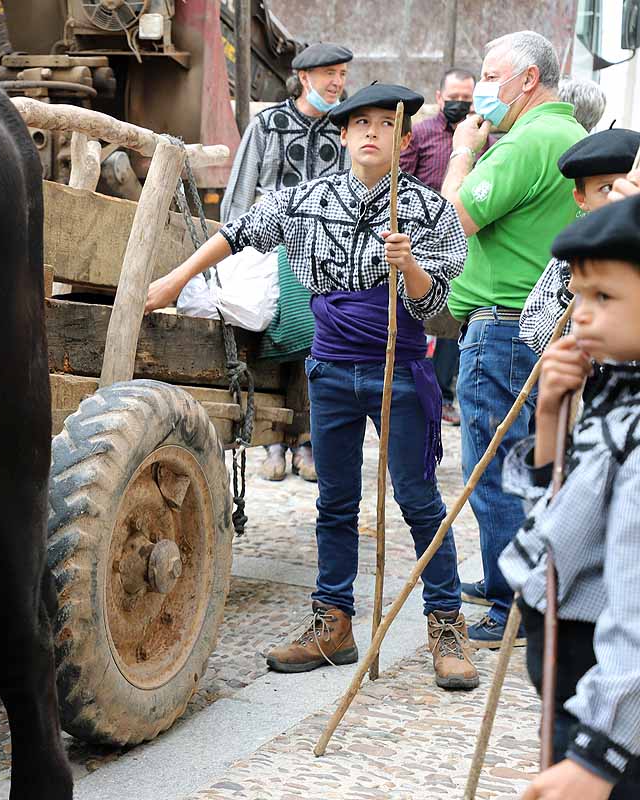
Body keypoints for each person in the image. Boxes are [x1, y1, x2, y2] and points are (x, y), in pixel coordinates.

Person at [147, 83, 479, 690]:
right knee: (334, 501)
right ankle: (333, 623)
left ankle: (446, 625)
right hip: (328, 368)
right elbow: (240, 230)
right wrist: (174, 280)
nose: (373, 132)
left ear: (405, 140)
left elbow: (434, 305)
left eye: (387, 124)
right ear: (345, 135)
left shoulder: (427, 211)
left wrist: (407, 262)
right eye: (362, 124)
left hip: (398, 369)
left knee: (418, 497)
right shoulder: (307, 200)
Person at [439, 30, 585, 647]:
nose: (483, 89)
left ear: (529, 79)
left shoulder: (528, 141)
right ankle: (519, 581)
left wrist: (463, 151)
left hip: (502, 327)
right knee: (531, 463)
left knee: (492, 467)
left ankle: (511, 603)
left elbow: (450, 221)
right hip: (545, 323)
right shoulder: (571, 136)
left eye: (492, 76)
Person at [500, 194, 640, 800]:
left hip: (609, 698)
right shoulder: (616, 393)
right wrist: (553, 411)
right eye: (578, 296)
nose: (579, 315)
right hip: (572, 672)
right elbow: (561, 505)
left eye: (604, 298)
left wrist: (599, 755)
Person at [220, 42, 354, 483]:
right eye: (329, 74)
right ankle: (272, 440)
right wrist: (233, 251)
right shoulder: (268, 124)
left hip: (324, 252)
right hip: (266, 249)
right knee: (262, 332)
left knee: (319, 339)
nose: (337, 83)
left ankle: (307, 440)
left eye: (342, 74)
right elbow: (240, 195)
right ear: (304, 78)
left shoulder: (345, 128)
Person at [400, 67, 478, 426]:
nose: (460, 106)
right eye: (454, 99)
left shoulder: (480, 139)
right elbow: (401, 180)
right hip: (418, 241)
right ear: (439, 97)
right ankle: (409, 388)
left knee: (453, 319)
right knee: (413, 314)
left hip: (460, 242)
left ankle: (444, 395)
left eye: (467, 99)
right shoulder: (420, 133)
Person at [519, 127, 640, 355]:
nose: (619, 198)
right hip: (597, 388)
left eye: (632, 186)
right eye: (606, 188)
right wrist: (575, 287)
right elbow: (536, 336)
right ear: (581, 199)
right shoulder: (570, 257)